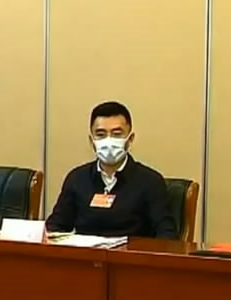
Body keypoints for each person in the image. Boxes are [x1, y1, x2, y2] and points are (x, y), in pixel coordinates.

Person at [45, 101, 176, 238]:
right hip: (86, 251)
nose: (108, 141)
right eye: (101, 134)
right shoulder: (77, 179)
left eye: (117, 134)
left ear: (130, 139)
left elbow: (167, 236)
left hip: (130, 251)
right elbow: (54, 228)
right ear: (91, 141)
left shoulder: (150, 182)